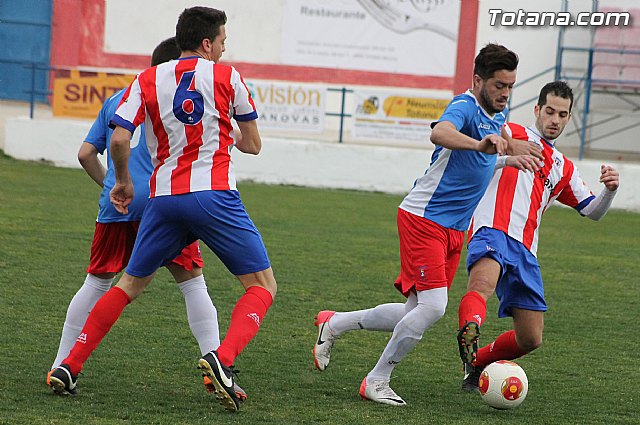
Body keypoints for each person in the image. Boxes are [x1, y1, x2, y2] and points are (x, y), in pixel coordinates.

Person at [48, 7, 276, 413]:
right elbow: (254, 145)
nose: (225, 48)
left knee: (127, 285)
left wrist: (121, 181)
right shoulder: (228, 77)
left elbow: (119, 141)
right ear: (207, 43)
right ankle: (222, 360)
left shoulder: (147, 79)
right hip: (214, 193)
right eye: (222, 41)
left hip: (163, 199)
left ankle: (69, 364)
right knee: (262, 285)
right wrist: (227, 127)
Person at [313, 44, 543, 406]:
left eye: (510, 86)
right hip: (425, 219)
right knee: (435, 307)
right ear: (478, 79)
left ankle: (335, 323)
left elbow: (476, 163)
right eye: (499, 85)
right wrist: (483, 145)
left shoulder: (497, 115)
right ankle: (376, 379)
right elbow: (440, 133)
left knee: (414, 311)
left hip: (453, 229)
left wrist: (506, 160)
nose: (505, 93)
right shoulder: (465, 106)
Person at [456, 81, 619, 391]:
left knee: (531, 338)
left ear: (569, 118)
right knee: (482, 284)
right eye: (549, 111)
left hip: (526, 250)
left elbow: (593, 210)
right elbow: (477, 160)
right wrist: (505, 155)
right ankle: (469, 330)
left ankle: (476, 362)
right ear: (537, 110)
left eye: (562, 114)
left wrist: (610, 191)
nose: (554, 119)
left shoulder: (564, 168)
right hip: (491, 229)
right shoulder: (512, 132)